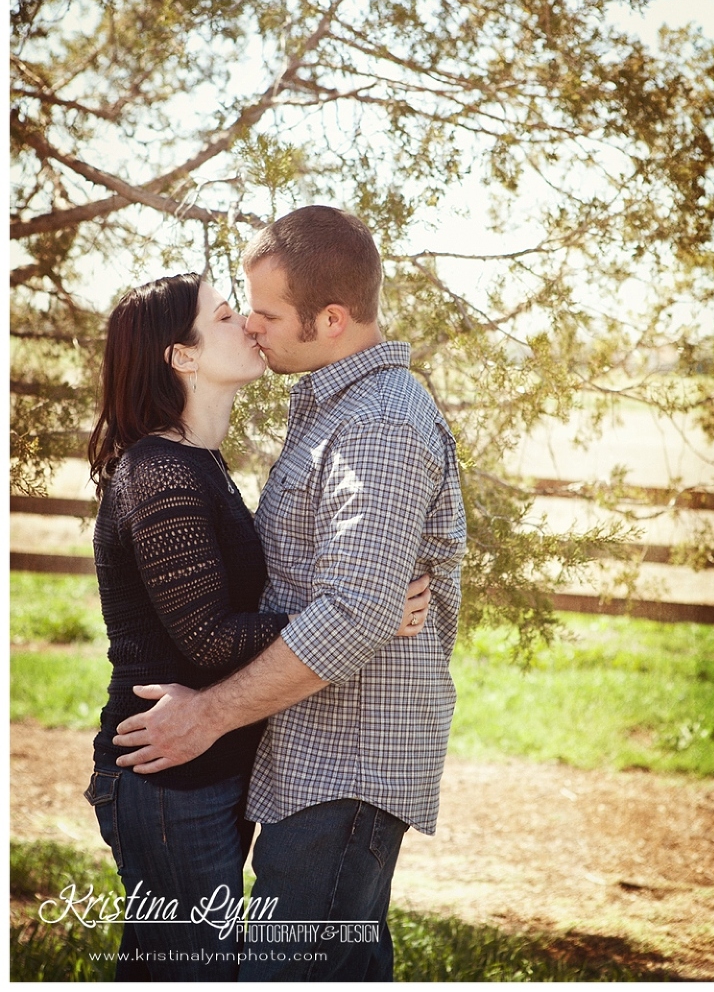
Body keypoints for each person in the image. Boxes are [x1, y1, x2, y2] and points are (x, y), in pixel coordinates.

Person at [114, 207, 467, 981]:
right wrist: (361, 609)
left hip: (351, 757)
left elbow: (356, 610)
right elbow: (341, 599)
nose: (253, 326)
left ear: (331, 319)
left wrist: (207, 713)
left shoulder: (378, 421)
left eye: (268, 313)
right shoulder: (328, 408)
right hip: (313, 752)